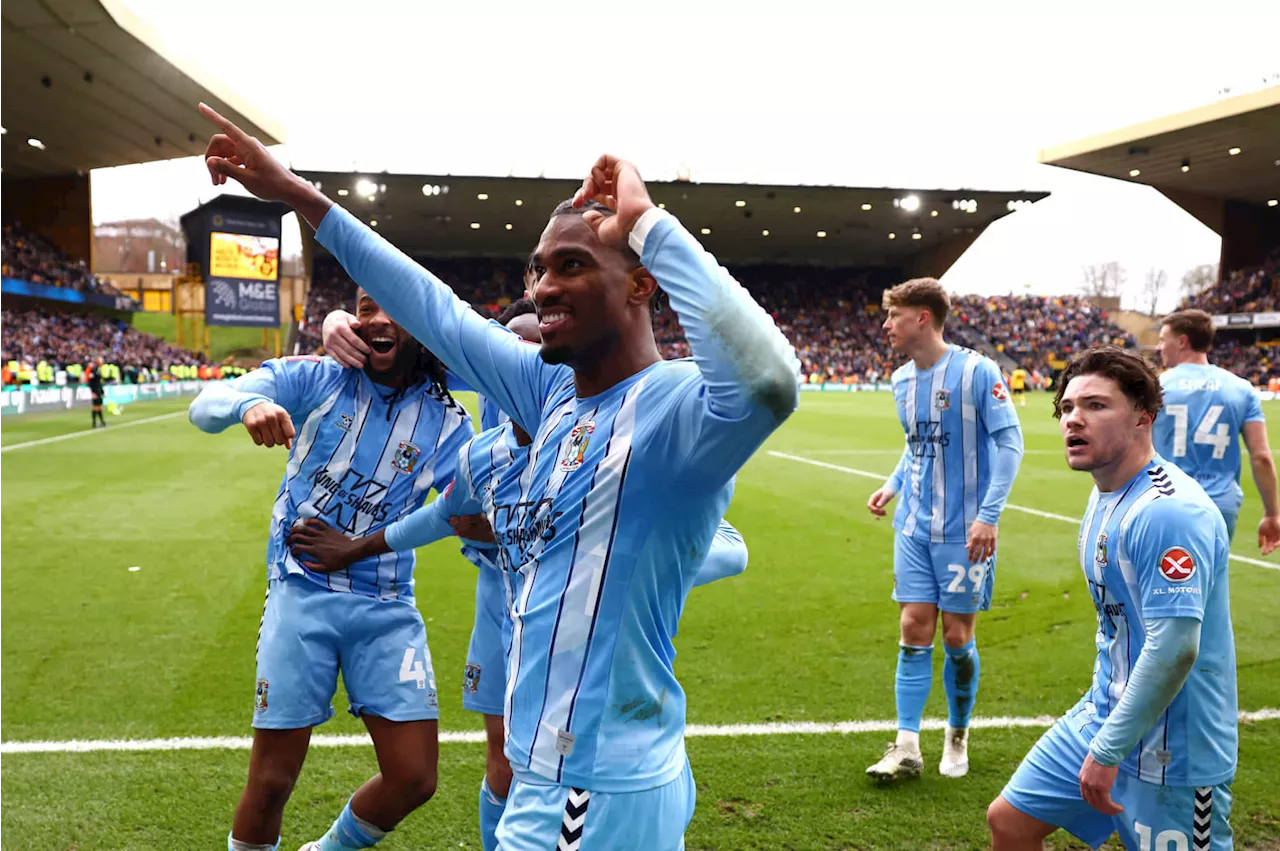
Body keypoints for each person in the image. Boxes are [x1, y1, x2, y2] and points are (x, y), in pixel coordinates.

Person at [199, 103, 799, 850]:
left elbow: (770, 382)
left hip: (598, 787)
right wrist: (300, 196)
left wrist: (648, 224)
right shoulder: (550, 393)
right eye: (540, 269)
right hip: (546, 773)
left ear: (642, 284)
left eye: (572, 265)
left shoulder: (675, 409)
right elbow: (438, 312)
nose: (544, 287)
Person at [188, 286, 474, 851]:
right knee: (271, 782)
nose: (377, 319)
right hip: (302, 592)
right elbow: (204, 406)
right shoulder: (319, 378)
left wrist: (367, 543)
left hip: (387, 603)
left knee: (415, 778)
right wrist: (249, 405)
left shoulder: (449, 423)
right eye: (365, 307)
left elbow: (456, 512)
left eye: (393, 308)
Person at [987, 347, 1236, 851]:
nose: (1074, 418)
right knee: (1009, 821)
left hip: (1173, 746)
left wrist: (1106, 751)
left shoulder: (1169, 513)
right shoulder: (1106, 491)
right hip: (1104, 714)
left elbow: (1174, 649)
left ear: (1143, 418)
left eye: (1097, 406)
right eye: (1069, 407)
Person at [865, 277, 1024, 781]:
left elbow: (1010, 444)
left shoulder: (978, 372)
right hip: (914, 526)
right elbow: (916, 445)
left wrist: (990, 516)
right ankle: (907, 744)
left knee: (957, 636)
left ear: (923, 318)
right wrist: (891, 486)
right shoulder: (900, 381)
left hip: (965, 531)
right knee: (914, 626)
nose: (887, 325)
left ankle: (957, 735)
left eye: (894, 315)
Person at [1154, 308, 1280, 552]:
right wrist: (1273, 514)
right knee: (1214, 581)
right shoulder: (1241, 388)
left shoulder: (1156, 387)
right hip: (1220, 504)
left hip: (1165, 500)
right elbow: (1261, 457)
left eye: (1162, 340)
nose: (1159, 348)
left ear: (1182, 342)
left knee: (1166, 583)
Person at [87, 358, 106, 428]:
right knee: (96, 407)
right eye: (101, 362)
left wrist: (102, 391)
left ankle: (99, 422)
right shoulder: (94, 370)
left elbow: (99, 383)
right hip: (95, 391)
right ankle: (98, 422)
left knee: (98, 407)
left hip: (98, 391)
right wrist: (93, 392)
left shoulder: (98, 370)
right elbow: (91, 382)